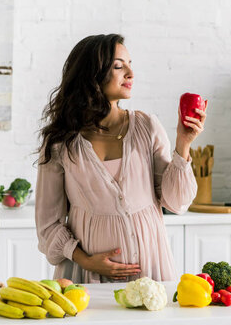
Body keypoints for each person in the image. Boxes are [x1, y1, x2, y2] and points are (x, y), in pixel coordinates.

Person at [35, 34, 207, 283]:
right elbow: (47, 224)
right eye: (118, 66)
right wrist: (86, 260)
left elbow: (176, 202)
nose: (130, 73)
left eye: (129, 63)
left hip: (150, 270)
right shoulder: (61, 143)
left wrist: (183, 143)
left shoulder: (146, 126)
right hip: (87, 275)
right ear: (92, 74)